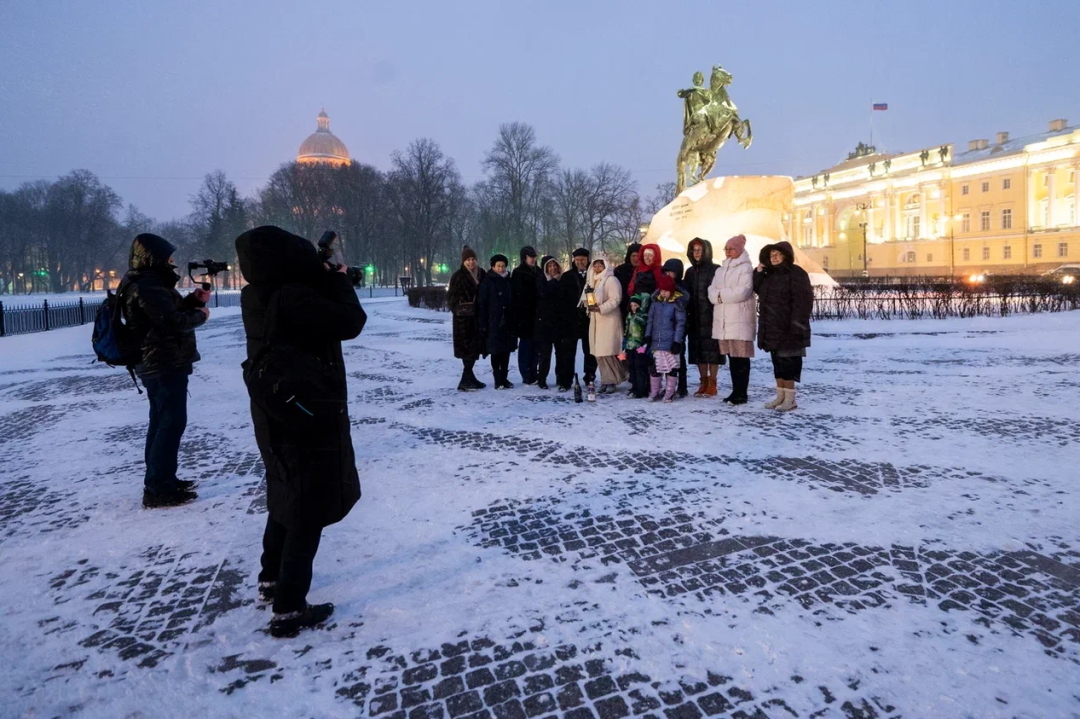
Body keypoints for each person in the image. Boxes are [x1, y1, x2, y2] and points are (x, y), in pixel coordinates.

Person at [235, 225, 367, 638]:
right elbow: (350, 321)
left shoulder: (257, 292)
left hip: (275, 404)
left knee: (284, 487)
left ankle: (271, 577)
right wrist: (341, 281)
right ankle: (289, 606)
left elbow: (306, 320)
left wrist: (324, 280)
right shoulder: (293, 295)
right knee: (308, 503)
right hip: (305, 406)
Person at [119, 233, 210, 509]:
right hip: (162, 364)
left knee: (161, 422)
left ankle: (162, 479)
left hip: (158, 363)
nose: (172, 263)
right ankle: (159, 489)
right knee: (169, 424)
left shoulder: (144, 282)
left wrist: (193, 301)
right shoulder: (147, 285)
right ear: (153, 259)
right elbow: (170, 322)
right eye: (168, 258)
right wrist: (201, 316)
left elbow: (165, 312)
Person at [753, 241, 813, 411]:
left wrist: (797, 325)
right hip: (771, 327)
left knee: (788, 363)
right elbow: (758, 288)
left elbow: (803, 302)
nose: (774, 258)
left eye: (778, 254)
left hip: (788, 328)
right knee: (777, 363)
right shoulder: (769, 275)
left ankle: (790, 398)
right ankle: (780, 396)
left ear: (786, 256)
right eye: (771, 255)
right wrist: (759, 272)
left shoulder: (796, 273)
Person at [708, 234, 755, 404]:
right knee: (732, 358)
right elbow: (711, 291)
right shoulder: (720, 270)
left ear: (739, 250)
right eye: (726, 248)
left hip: (739, 319)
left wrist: (720, 295)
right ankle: (736, 391)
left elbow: (743, 291)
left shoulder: (745, 268)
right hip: (724, 321)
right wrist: (721, 295)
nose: (728, 251)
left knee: (741, 358)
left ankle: (742, 393)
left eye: (731, 248)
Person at [683, 238, 723, 397]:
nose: (696, 253)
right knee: (698, 351)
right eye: (694, 250)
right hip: (695, 317)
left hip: (712, 316)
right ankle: (703, 381)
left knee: (712, 351)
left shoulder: (715, 269)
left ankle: (713, 382)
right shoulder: (690, 272)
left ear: (706, 251)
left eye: (699, 250)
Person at [581, 257, 626, 394]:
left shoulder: (611, 280)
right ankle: (606, 379)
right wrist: (589, 306)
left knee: (609, 352)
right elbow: (586, 298)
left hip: (609, 320)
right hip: (596, 321)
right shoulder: (592, 280)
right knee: (599, 353)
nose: (598, 268)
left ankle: (613, 379)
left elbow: (616, 299)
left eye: (601, 265)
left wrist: (601, 308)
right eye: (595, 265)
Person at [447, 246, 487, 391]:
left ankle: (470, 378)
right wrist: (460, 310)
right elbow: (451, 298)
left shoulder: (481, 273)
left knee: (474, 349)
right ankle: (464, 381)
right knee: (467, 349)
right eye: (468, 260)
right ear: (464, 261)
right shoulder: (458, 276)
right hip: (463, 320)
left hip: (478, 318)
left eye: (473, 259)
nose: (471, 262)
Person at [556, 248, 596, 391]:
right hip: (570, 320)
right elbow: (561, 298)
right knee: (567, 352)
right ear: (574, 260)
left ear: (587, 260)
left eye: (583, 259)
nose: (580, 262)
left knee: (590, 351)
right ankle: (565, 381)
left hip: (588, 319)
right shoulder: (567, 276)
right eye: (577, 260)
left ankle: (590, 377)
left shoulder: (593, 276)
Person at [644, 275, 687, 403]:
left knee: (671, 368)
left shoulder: (676, 305)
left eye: (666, 291)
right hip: (656, 342)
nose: (663, 293)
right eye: (661, 290)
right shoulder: (655, 304)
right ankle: (655, 391)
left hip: (669, 343)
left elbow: (680, 323)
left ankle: (669, 392)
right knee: (655, 368)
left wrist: (677, 341)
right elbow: (650, 321)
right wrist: (647, 335)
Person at [479, 254, 516, 389]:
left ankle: (504, 378)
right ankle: (497, 379)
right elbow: (482, 303)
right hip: (493, 321)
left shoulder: (509, 281)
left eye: (503, 266)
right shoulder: (488, 282)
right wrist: (483, 322)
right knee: (495, 351)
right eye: (498, 266)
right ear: (493, 267)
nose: (501, 268)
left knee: (506, 351)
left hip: (507, 321)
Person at [661, 258, 691, 398]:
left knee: (679, 358)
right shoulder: (662, 286)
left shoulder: (682, 286)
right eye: (666, 272)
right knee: (666, 359)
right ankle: (669, 386)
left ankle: (682, 386)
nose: (668, 275)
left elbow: (685, 300)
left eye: (671, 272)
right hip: (665, 327)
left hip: (679, 327)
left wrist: (674, 287)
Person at [510, 246, 540, 385]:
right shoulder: (518, 273)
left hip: (537, 315)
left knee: (535, 346)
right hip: (524, 315)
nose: (533, 259)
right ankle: (526, 373)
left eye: (534, 256)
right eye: (530, 256)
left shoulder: (539, 271)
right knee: (526, 346)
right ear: (524, 257)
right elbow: (517, 295)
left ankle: (534, 371)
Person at [534, 255, 562, 389]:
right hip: (544, 322)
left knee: (561, 352)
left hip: (559, 321)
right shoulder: (541, 280)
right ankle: (542, 378)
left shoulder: (563, 279)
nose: (553, 268)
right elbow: (543, 294)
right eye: (550, 266)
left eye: (554, 265)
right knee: (545, 353)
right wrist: (553, 282)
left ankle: (561, 377)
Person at [623, 292, 651, 398]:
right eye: (632, 306)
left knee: (640, 367)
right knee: (632, 366)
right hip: (630, 344)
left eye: (636, 306)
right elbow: (627, 330)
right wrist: (624, 342)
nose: (633, 308)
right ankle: (634, 386)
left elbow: (644, 323)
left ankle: (642, 388)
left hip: (639, 345)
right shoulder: (629, 316)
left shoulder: (642, 315)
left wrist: (638, 314)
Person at [613, 242, 641, 316]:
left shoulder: (646, 271)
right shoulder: (620, 270)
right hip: (623, 307)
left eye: (638, 256)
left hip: (640, 307)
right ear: (629, 256)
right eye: (633, 256)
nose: (636, 259)